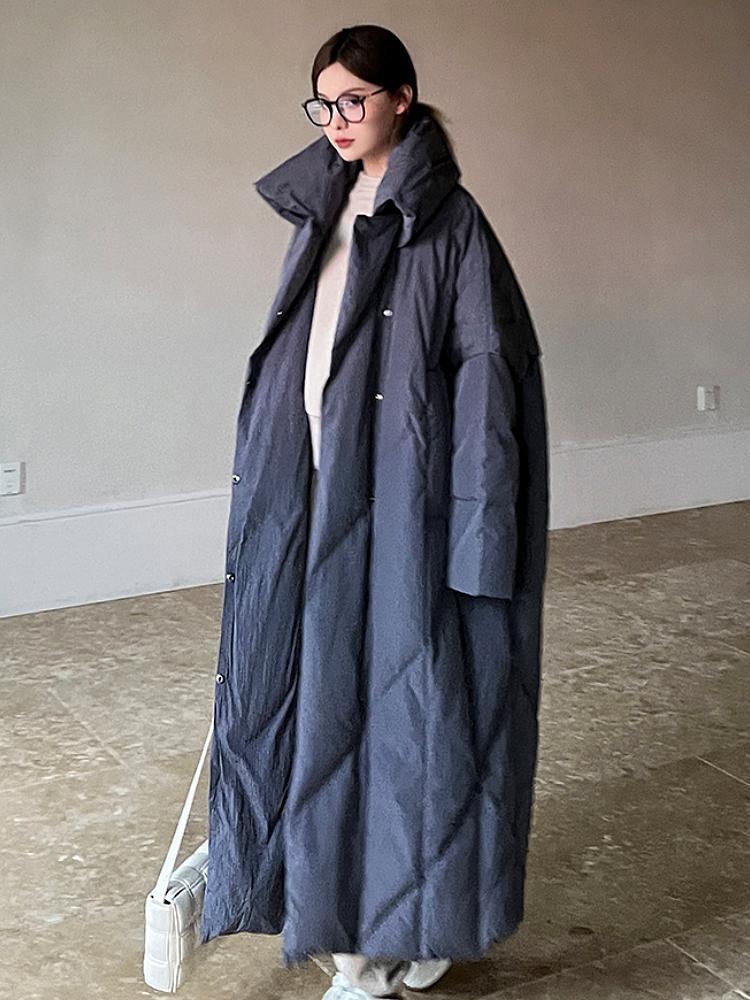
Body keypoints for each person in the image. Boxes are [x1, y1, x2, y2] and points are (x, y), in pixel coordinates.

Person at [201, 23, 549, 1000]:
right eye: (325, 102)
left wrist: (479, 535)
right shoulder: (322, 208)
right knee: (314, 709)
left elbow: (489, 382)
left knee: (409, 725)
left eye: (355, 98)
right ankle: (369, 928)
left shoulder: (451, 223)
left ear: (402, 97)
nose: (337, 119)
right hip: (310, 490)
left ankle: (375, 950)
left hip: (404, 506)